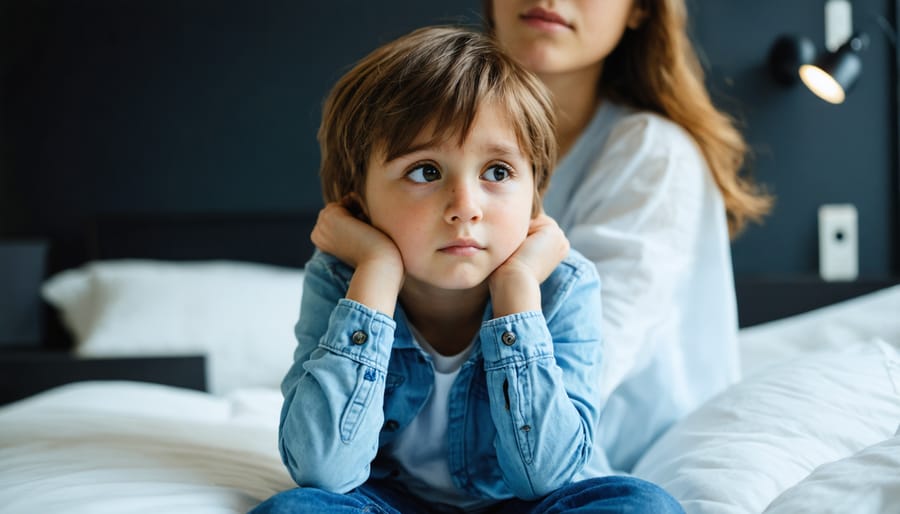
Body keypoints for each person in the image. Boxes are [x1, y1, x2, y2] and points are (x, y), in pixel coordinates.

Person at [250, 26, 684, 514]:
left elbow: (545, 474)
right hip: (392, 501)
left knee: (642, 505)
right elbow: (323, 470)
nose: (465, 207)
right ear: (359, 201)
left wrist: (516, 292)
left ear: (534, 195)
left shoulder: (563, 285)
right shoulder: (340, 278)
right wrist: (376, 268)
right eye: (425, 172)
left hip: (526, 501)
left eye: (497, 172)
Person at [485, 0, 773, 473]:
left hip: (592, 460)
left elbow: (584, 370)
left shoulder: (652, 154)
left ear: (640, 10)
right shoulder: (438, 145)